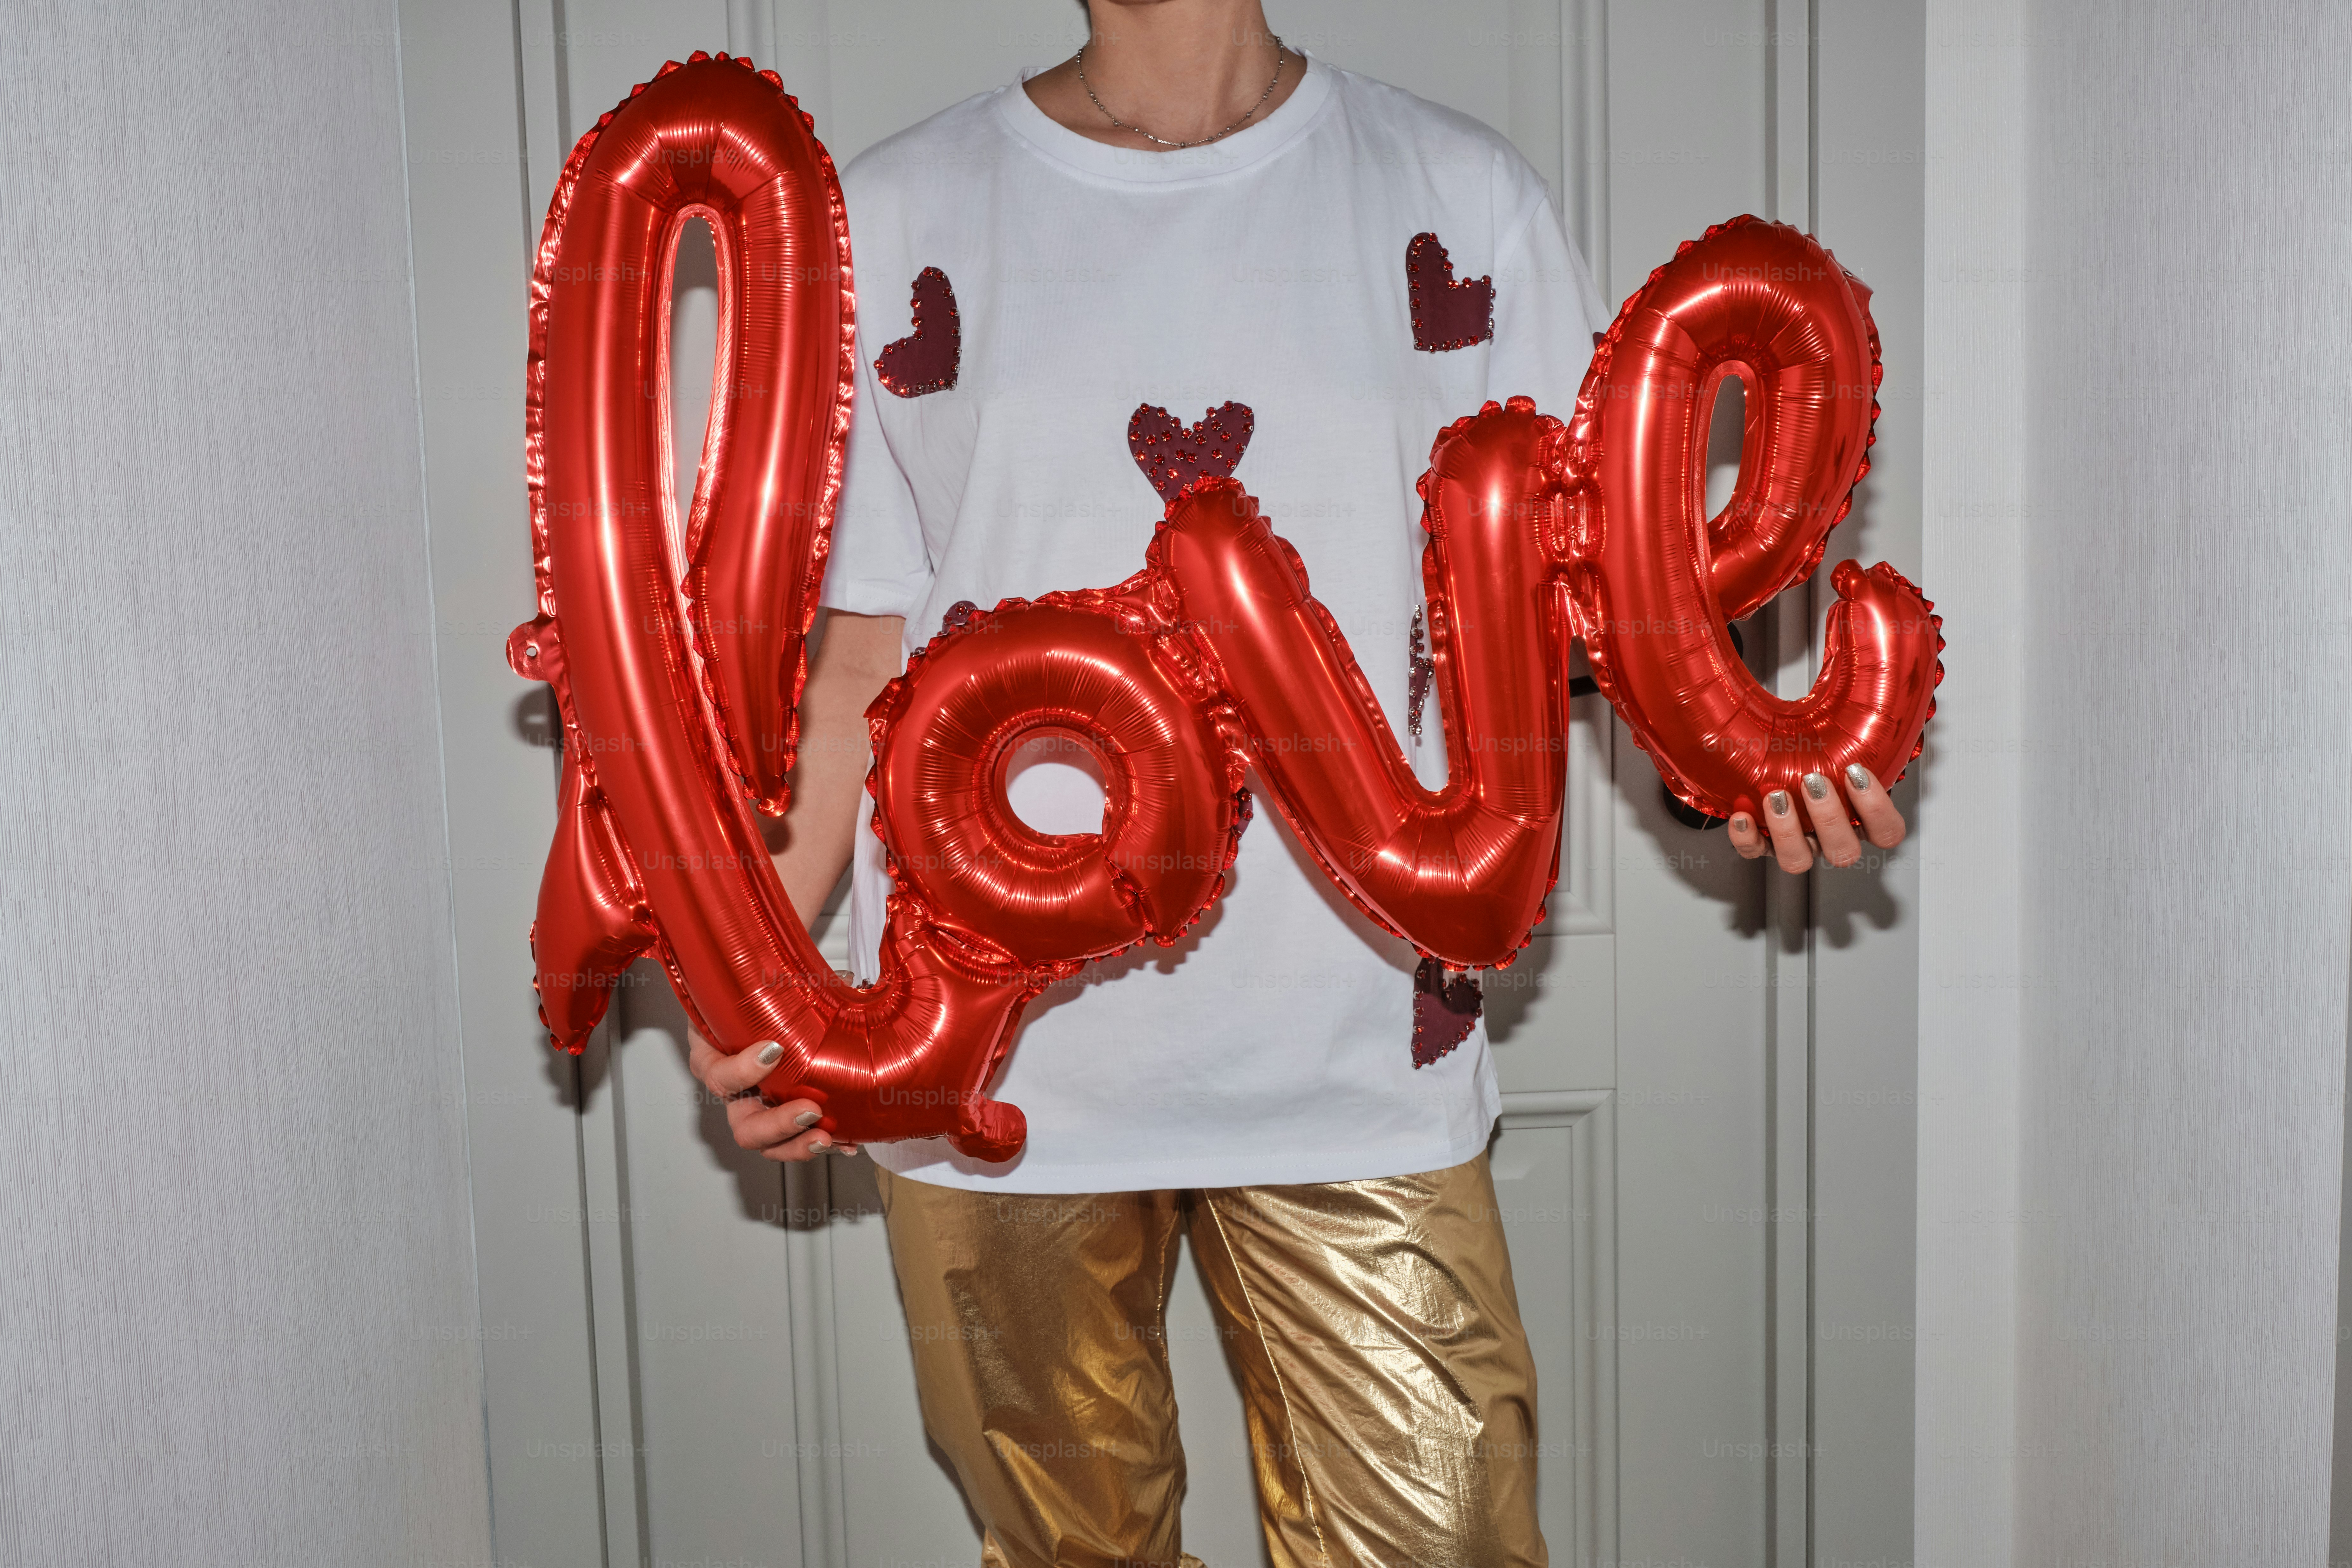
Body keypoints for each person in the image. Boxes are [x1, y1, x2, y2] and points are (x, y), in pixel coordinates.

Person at [691, 3, 1907, 1563]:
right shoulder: (895, 208)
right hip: (985, 1050)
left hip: (1356, 1034)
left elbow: (1590, 594)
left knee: (1444, 1536)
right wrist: (760, 978)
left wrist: (1729, 771)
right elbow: (859, 650)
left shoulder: (1459, 194)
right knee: (1068, 1552)